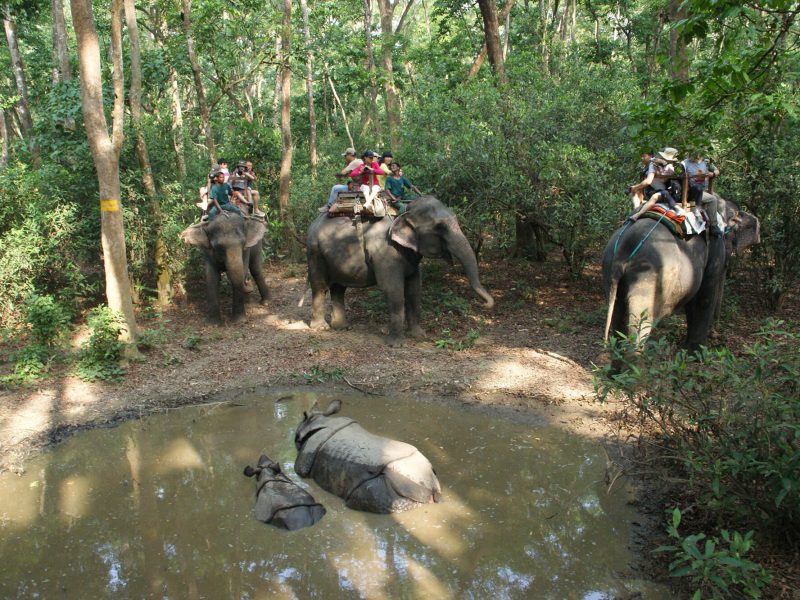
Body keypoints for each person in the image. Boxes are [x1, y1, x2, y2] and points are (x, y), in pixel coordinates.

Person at [628, 147, 681, 221]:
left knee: (655, 196)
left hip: (664, 192)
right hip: (652, 190)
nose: (665, 161)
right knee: (632, 192)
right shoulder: (653, 164)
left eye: (668, 160)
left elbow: (649, 181)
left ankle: (638, 214)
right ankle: (636, 209)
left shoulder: (670, 167)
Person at [350, 150, 385, 216]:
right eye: (370, 157)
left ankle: (367, 203)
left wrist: (372, 170)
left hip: (375, 184)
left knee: (375, 189)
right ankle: (369, 203)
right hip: (365, 185)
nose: (371, 159)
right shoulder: (361, 166)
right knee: (365, 189)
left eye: (372, 157)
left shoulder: (374, 164)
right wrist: (361, 172)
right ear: (365, 158)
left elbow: (381, 172)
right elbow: (352, 174)